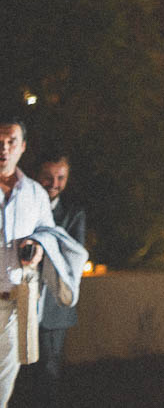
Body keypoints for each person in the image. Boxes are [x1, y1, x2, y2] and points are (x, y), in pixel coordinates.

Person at [15, 155, 85, 406]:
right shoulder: (21, 205)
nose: (54, 183)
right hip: (18, 298)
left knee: (48, 371)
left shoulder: (74, 212)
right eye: (48, 177)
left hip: (52, 308)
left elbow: (74, 258)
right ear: (36, 175)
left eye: (61, 177)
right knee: (16, 372)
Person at [0, 120, 54, 408]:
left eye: (11, 141)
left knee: (3, 388)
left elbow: (48, 233)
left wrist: (39, 248)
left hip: (14, 305)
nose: (3, 148)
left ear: (22, 146)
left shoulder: (35, 194)